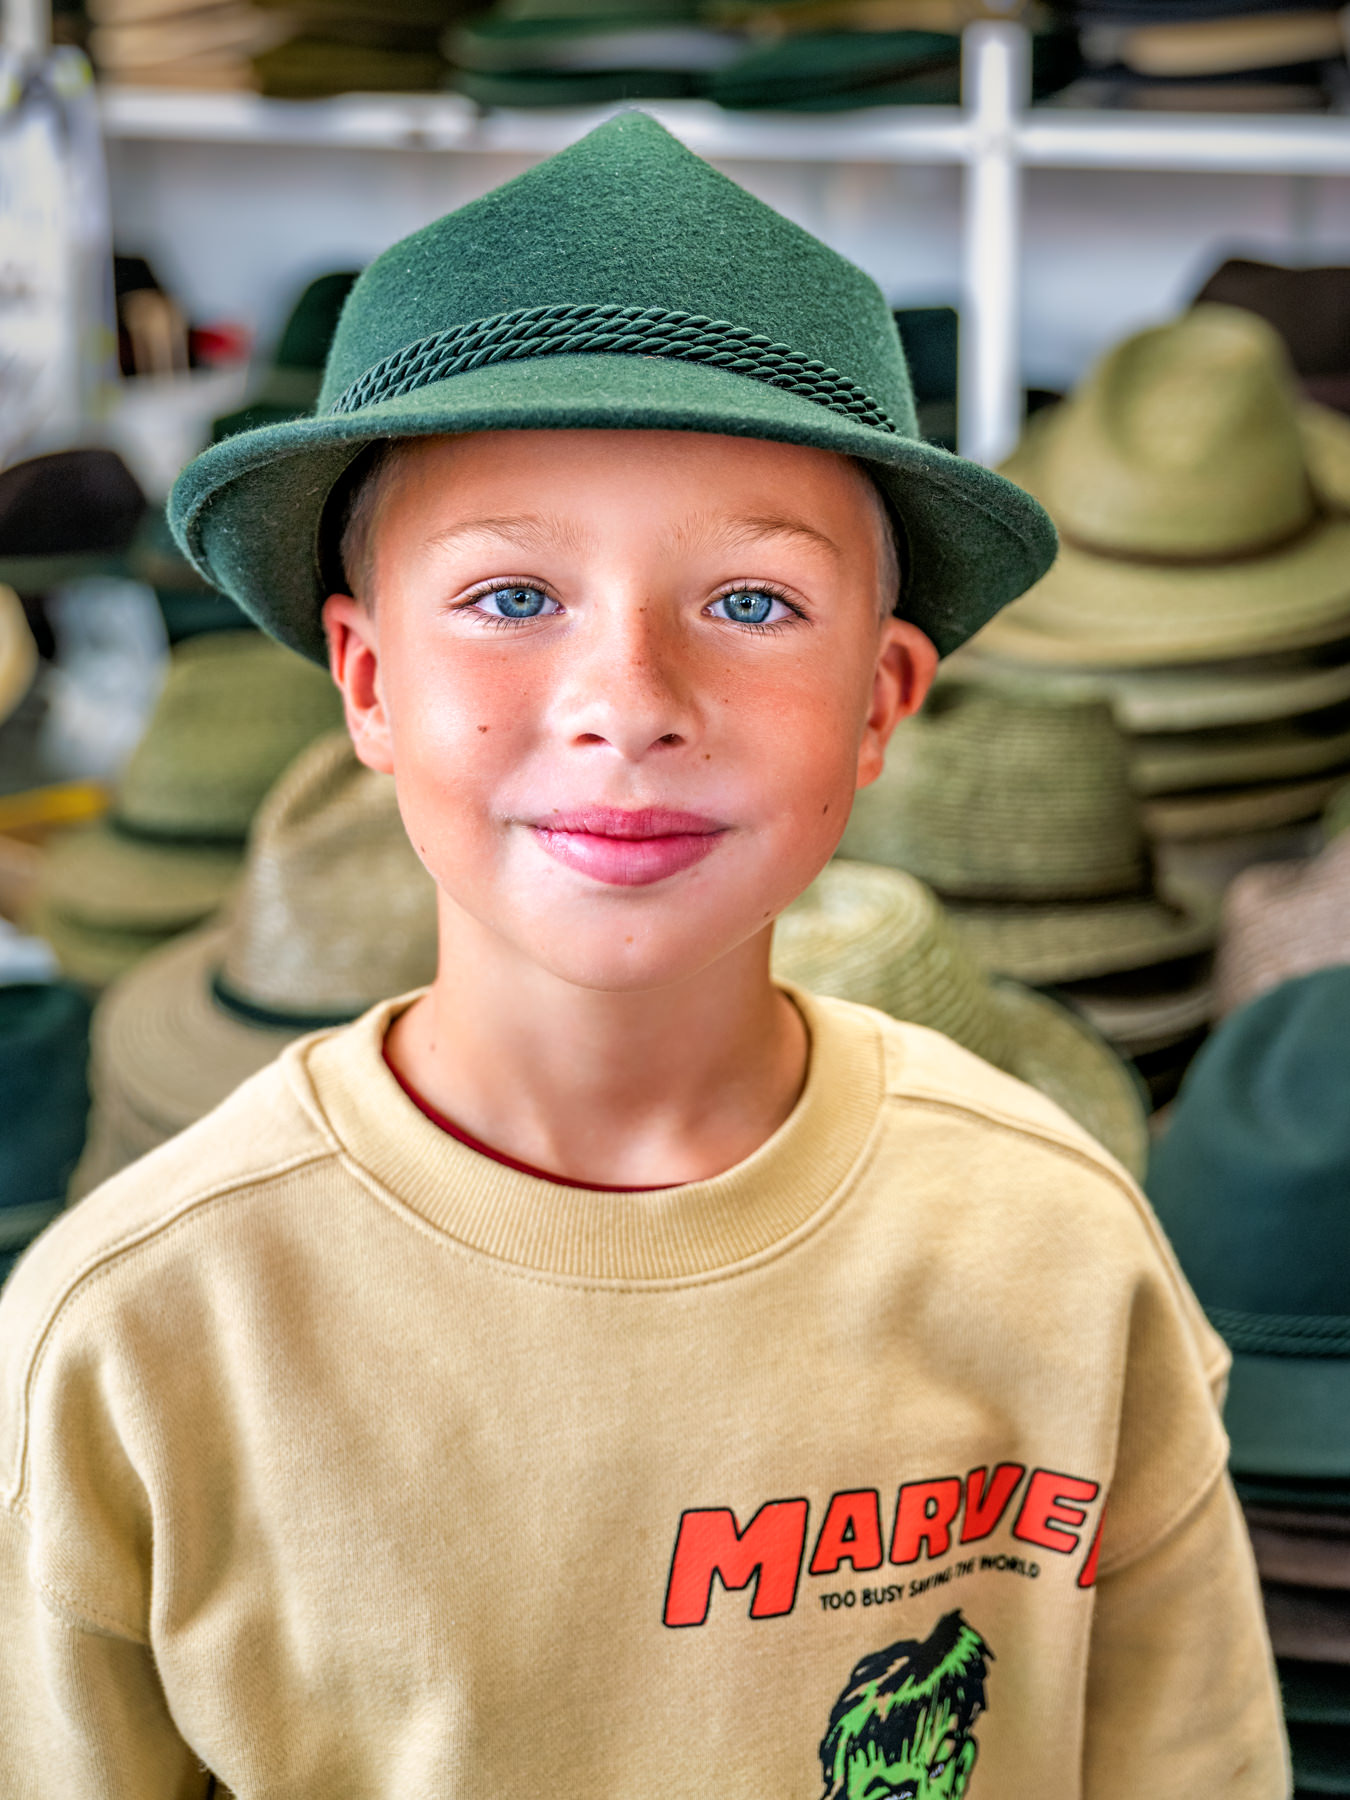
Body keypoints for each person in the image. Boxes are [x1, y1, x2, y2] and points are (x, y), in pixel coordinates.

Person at [0, 115, 1285, 1797]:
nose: (627, 702)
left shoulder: (1054, 1247)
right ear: (367, 682)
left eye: (750, 602)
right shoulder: (140, 1328)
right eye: (510, 596)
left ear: (881, 699)